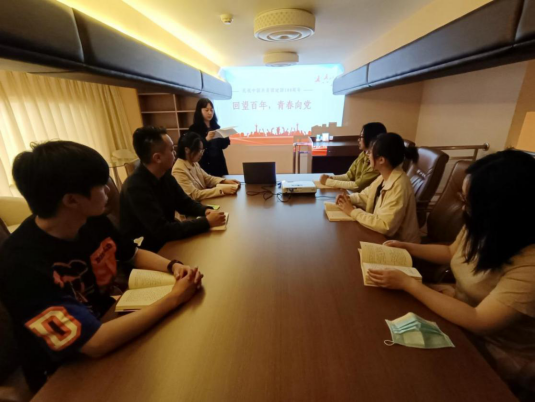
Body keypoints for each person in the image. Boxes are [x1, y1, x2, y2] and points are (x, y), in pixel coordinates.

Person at [0, 141, 204, 392]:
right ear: (72, 200)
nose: (109, 188)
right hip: (64, 371)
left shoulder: (91, 220)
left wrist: (173, 266)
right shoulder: (21, 263)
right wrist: (174, 298)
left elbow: (132, 253)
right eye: (100, 184)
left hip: (109, 322)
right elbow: (94, 343)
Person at [369, 150, 535, 400]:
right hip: (462, 311)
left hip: (499, 350)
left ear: (502, 208)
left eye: (470, 201)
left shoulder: (530, 262)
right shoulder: (482, 226)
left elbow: (480, 320)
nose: (463, 206)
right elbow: (451, 252)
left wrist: (410, 284)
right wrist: (407, 247)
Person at [120, 127, 227, 252]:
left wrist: (206, 211)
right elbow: (163, 230)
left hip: (167, 240)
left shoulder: (164, 174)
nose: (175, 153)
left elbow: (184, 203)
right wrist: (206, 222)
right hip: (149, 249)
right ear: (157, 158)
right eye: (171, 150)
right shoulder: (135, 188)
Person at [336, 133, 420, 243]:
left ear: (381, 160)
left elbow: (385, 226)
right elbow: (366, 196)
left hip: (399, 245)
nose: (367, 156)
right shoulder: (383, 177)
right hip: (381, 238)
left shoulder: (399, 185)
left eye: (370, 152)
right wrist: (348, 199)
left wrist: (352, 211)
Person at [172, 132, 241, 201]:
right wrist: (221, 190)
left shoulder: (193, 162)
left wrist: (225, 181)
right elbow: (194, 195)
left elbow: (208, 179)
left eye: (202, 150)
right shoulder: (178, 169)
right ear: (187, 150)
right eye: (199, 150)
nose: (201, 153)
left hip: (202, 202)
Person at [320, 122, 386, 191]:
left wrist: (328, 182)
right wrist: (331, 178)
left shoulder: (376, 163)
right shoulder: (363, 154)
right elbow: (349, 176)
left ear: (371, 139)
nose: (358, 140)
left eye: (361, 137)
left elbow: (357, 186)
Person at [189, 98, 230, 177]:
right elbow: (194, 148)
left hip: (218, 164)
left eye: (211, 110)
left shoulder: (216, 127)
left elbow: (222, 146)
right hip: (204, 164)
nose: (210, 113)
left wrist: (226, 138)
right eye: (206, 110)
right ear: (199, 111)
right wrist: (206, 139)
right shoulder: (194, 129)